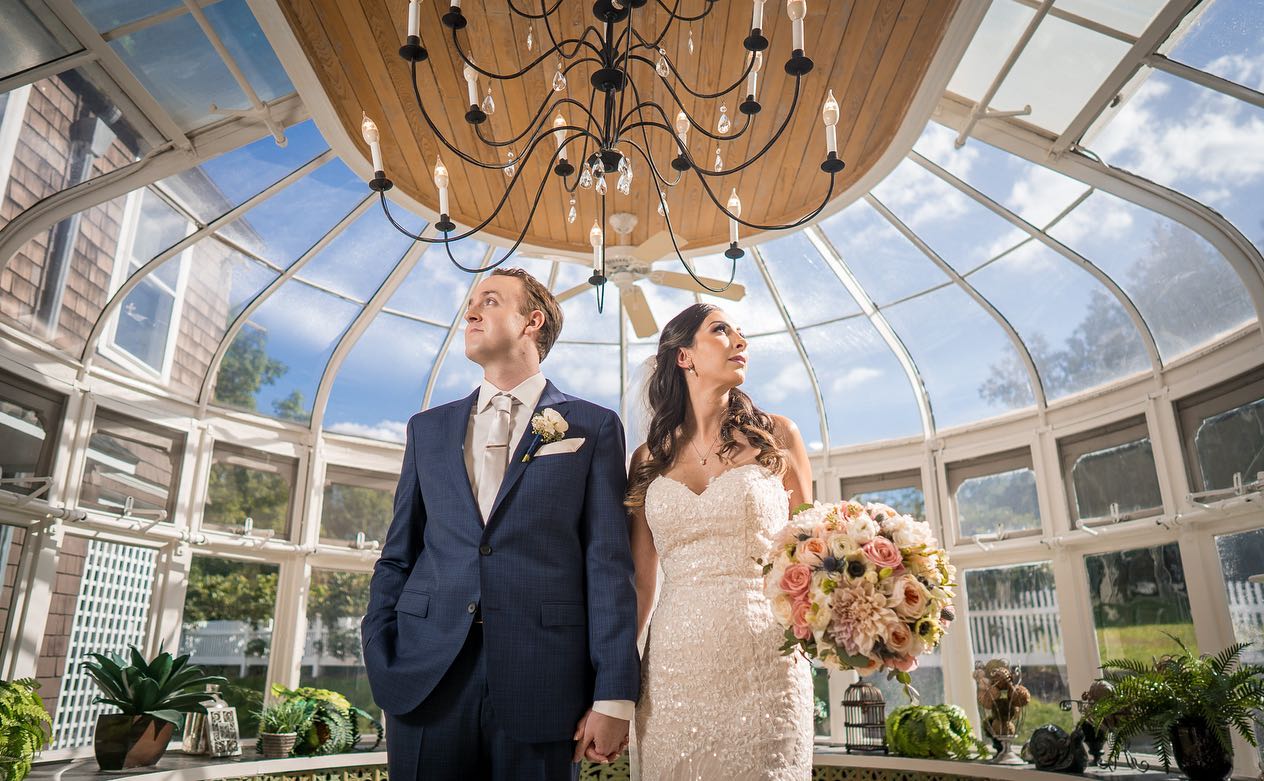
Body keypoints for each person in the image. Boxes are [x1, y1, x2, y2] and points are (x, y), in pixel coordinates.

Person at [361, 268, 640, 781]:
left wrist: (615, 695)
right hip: (426, 678)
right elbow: (398, 555)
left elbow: (608, 566)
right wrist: (381, 651)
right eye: (470, 301)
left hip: (545, 682)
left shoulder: (593, 427)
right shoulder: (427, 429)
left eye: (489, 300)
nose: (470, 311)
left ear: (533, 321)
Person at [627, 302, 815, 780]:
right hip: (673, 666)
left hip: (766, 660)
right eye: (721, 330)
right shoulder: (648, 458)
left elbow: (813, 555)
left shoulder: (779, 436)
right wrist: (613, 683)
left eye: (740, 332)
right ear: (684, 356)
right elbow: (640, 587)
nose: (740, 341)